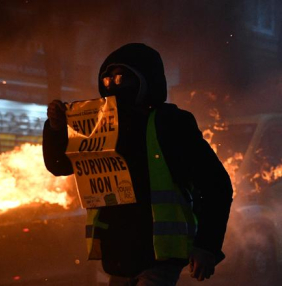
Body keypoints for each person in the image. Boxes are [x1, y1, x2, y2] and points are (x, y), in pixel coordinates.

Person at [42, 43, 233, 286]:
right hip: (118, 260)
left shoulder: (171, 124)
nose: (111, 84)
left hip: (158, 259)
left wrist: (207, 246)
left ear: (145, 80)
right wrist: (56, 130)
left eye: (121, 77)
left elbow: (216, 186)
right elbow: (60, 165)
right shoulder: (101, 126)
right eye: (107, 79)